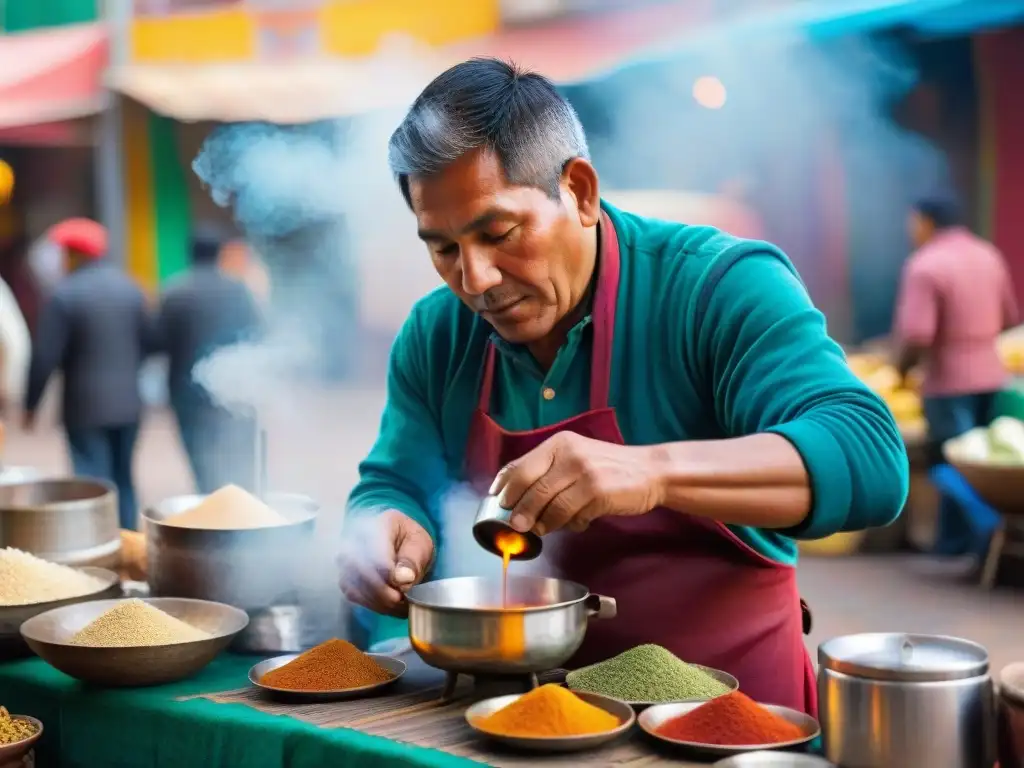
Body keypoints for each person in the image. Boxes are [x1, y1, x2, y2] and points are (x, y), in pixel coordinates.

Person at [338, 59, 909, 716]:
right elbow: (393, 483)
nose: (476, 280)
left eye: (498, 233)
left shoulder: (719, 287)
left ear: (579, 190)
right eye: (443, 249)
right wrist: (382, 528)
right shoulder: (438, 335)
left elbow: (869, 458)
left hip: (726, 724)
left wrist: (653, 471)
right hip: (523, 725)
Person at [894, 195, 1018, 556]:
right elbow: (1009, 316)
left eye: (913, 221)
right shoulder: (988, 255)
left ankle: (985, 529)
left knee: (949, 465)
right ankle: (954, 543)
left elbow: (917, 333)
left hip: (948, 381)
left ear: (927, 222)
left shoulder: (925, 264)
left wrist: (901, 368)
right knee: (979, 461)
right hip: (991, 376)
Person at [23, 218, 152, 530]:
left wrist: (30, 405)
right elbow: (151, 341)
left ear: (72, 254)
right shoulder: (131, 288)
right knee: (124, 476)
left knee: (94, 484)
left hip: (84, 408)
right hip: (130, 404)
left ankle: (103, 549)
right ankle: (130, 544)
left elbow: (44, 358)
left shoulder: (64, 295)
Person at [154, 227, 264, 494]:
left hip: (186, 392)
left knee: (200, 456)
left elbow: (156, 342)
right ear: (218, 254)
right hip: (235, 389)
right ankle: (239, 504)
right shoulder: (238, 290)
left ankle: (210, 504)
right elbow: (259, 335)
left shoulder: (175, 291)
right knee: (235, 451)